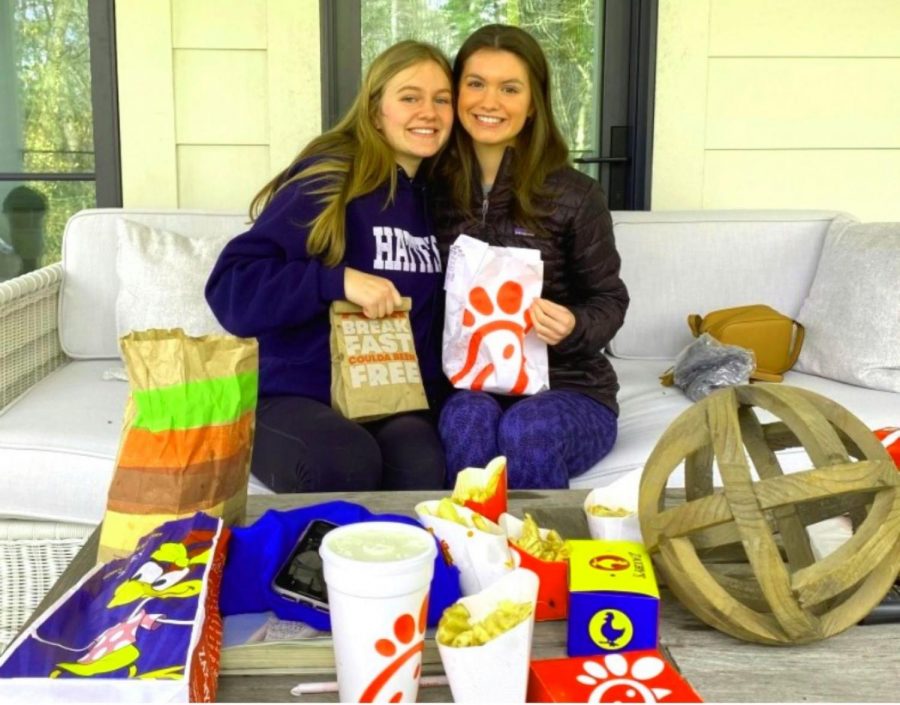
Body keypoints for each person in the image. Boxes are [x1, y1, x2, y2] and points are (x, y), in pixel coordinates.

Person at [206, 41, 454, 493]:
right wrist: (336, 281)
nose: (429, 111)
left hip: (388, 397)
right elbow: (230, 287)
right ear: (376, 109)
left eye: (442, 99)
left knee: (421, 467)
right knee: (345, 461)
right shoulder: (332, 179)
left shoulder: (441, 200)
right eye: (410, 97)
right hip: (293, 394)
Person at [432, 24, 629, 489]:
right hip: (470, 381)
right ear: (456, 92)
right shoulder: (430, 188)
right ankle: (468, 553)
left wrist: (575, 325)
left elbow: (608, 300)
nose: (489, 101)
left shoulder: (575, 195)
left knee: (528, 428)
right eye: (476, 83)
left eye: (510, 88)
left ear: (534, 101)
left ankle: (539, 556)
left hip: (570, 387)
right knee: (468, 421)